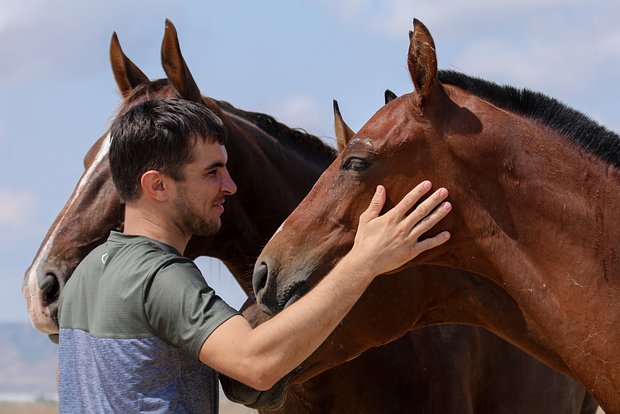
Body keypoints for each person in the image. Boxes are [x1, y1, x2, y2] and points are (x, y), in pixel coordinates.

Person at [58, 99, 452, 413]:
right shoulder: (159, 277)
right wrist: (363, 263)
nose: (229, 186)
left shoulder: (87, 273)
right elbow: (257, 365)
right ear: (157, 185)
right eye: (212, 173)